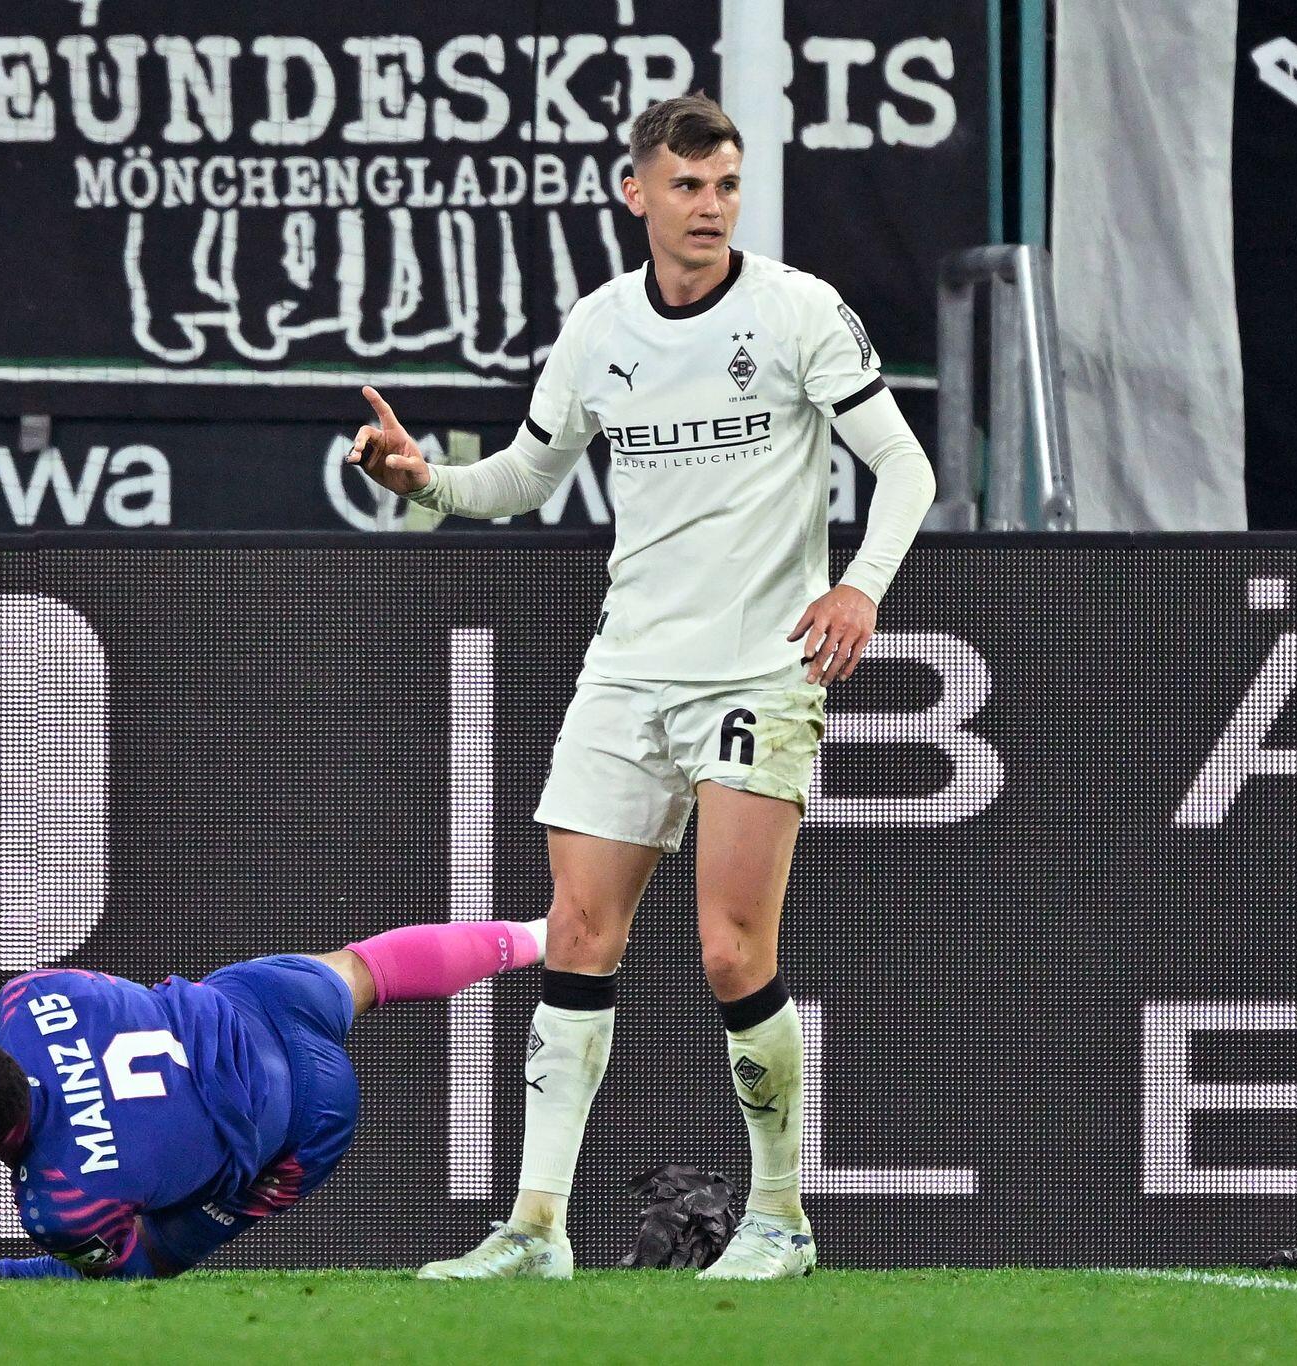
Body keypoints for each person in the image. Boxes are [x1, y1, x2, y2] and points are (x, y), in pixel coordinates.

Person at [347, 93, 937, 1281]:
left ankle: (779, 1219)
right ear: (636, 194)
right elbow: (525, 475)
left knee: (729, 950)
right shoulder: (598, 326)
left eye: (724, 186)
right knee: (575, 931)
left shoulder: (794, 310)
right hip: (627, 667)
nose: (709, 207)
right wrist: (425, 482)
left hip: (756, 667)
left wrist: (858, 587)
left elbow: (902, 465)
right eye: (686, 186)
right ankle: (535, 1228)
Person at [0, 916, 548, 1280]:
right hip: (262, 1003)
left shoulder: (61, 1206)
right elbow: (124, 1003)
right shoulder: (29, 999)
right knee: (365, 967)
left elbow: (136, 1270)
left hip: (306, 1121)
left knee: (157, 1250)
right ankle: (545, 935)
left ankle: (550, 936)